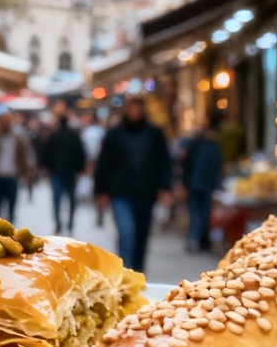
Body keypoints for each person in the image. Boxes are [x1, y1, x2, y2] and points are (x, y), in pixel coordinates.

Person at [94, 97, 171, 272]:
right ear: (125, 109)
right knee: (127, 232)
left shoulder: (154, 134)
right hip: (120, 193)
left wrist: (165, 187)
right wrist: (100, 191)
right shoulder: (114, 134)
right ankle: (126, 273)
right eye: (131, 107)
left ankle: (138, 271)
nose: (135, 111)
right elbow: (104, 163)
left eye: (138, 107)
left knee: (142, 236)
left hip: (146, 192)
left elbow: (164, 162)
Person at [180, 113, 227, 253]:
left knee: (197, 212)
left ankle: (195, 239)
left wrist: (185, 183)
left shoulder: (195, 143)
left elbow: (187, 164)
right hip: (205, 184)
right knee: (203, 213)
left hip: (197, 183)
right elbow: (218, 165)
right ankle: (200, 240)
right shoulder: (213, 145)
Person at [0, 112, 35, 224]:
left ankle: (9, 229)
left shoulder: (18, 138)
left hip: (12, 177)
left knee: (11, 208)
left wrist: (27, 171)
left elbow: (25, 155)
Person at [42, 113, 88, 235]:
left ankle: (58, 223)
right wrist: (79, 170)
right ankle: (70, 224)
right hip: (71, 173)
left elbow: (47, 153)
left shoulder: (54, 135)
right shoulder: (74, 136)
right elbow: (80, 153)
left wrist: (48, 169)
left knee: (57, 200)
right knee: (71, 200)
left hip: (57, 172)